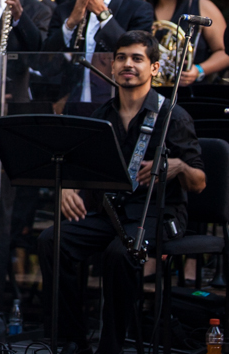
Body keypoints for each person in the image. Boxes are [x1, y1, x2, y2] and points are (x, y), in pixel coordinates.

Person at [37, 30, 205, 354]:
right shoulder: (101, 118)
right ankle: (73, 339)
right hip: (111, 214)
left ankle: (111, 347)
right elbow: (79, 166)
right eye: (121, 58)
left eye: (137, 58)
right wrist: (67, 188)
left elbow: (200, 182)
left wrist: (179, 167)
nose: (128, 64)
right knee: (52, 241)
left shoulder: (173, 116)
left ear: (154, 68)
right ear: (112, 66)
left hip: (157, 214)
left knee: (119, 254)